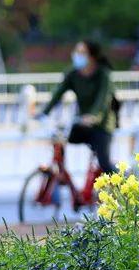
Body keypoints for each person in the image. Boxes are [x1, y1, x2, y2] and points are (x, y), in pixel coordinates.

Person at [39, 40, 119, 173]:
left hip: (102, 125)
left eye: (82, 53)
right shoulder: (73, 74)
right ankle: (60, 173)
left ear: (92, 57)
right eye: (77, 52)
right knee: (60, 140)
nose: (77, 55)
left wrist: (94, 116)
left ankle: (125, 184)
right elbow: (58, 93)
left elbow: (103, 99)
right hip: (82, 123)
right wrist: (44, 112)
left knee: (104, 164)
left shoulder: (103, 75)